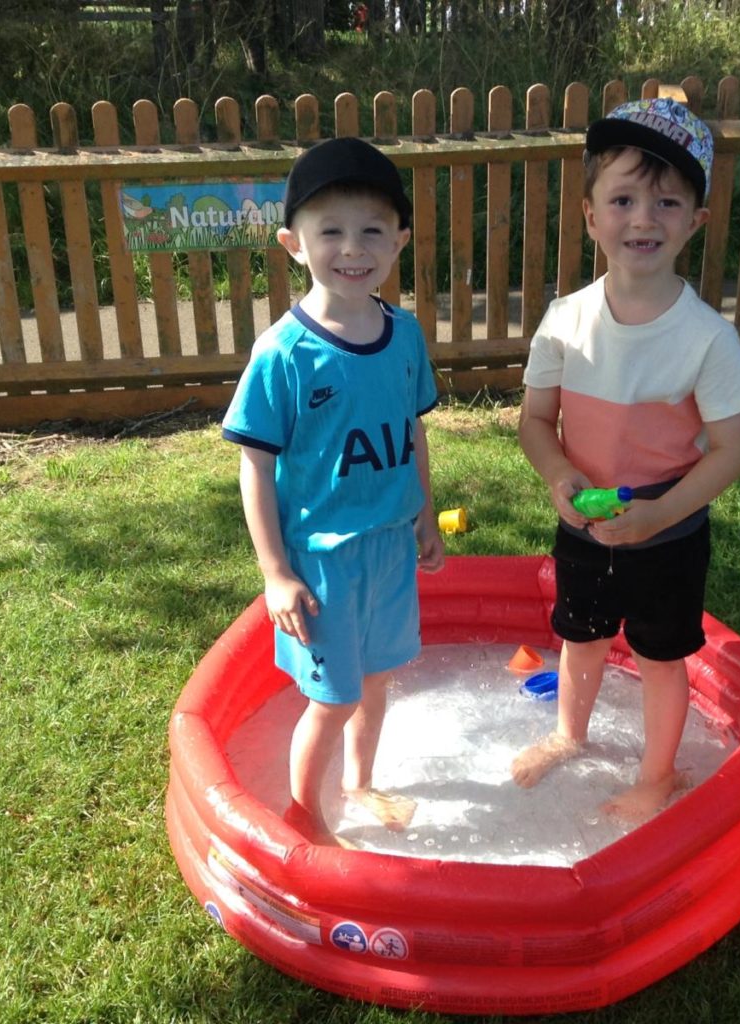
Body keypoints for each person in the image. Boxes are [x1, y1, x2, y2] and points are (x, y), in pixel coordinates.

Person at [511, 99, 740, 823]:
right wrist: (558, 475)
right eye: (623, 200)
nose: (643, 218)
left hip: (669, 530)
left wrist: (661, 513)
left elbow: (732, 448)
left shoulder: (706, 338)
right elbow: (535, 421)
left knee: (660, 654)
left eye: (666, 202)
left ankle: (658, 774)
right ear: (591, 216)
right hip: (584, 522)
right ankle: (569, 734)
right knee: (580, 636)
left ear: (695, 221)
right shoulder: (565, 320)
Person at [222, 137, 444, 847]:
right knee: (333, 698)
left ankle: (358, 784)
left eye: (373, 230)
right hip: (321, 566)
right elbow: (255, 466)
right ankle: (305, 818)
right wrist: (275, 573)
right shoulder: (284, 353)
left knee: (376, 683)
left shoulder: (404, 336)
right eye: (331, 232)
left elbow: (411, 429)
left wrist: (424, 512)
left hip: (389, 548)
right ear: (293, 244)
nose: (353, 248)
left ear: (399, 240)